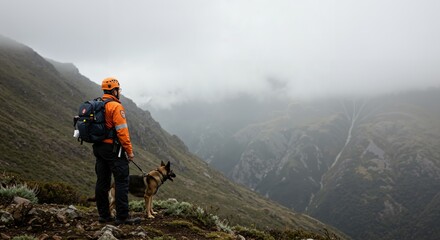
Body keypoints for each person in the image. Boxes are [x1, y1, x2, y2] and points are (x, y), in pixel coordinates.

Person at [93, 77, 140, 225]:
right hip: (113, 150)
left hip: (99, 148)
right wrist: (129, 151)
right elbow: (122, 132)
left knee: (102, 182)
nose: (119, 92)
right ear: (114, 90)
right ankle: (123, 217)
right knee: (121, 182)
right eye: (118, 89)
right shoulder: (115, 106)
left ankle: (104, 215)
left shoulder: (97, 104)